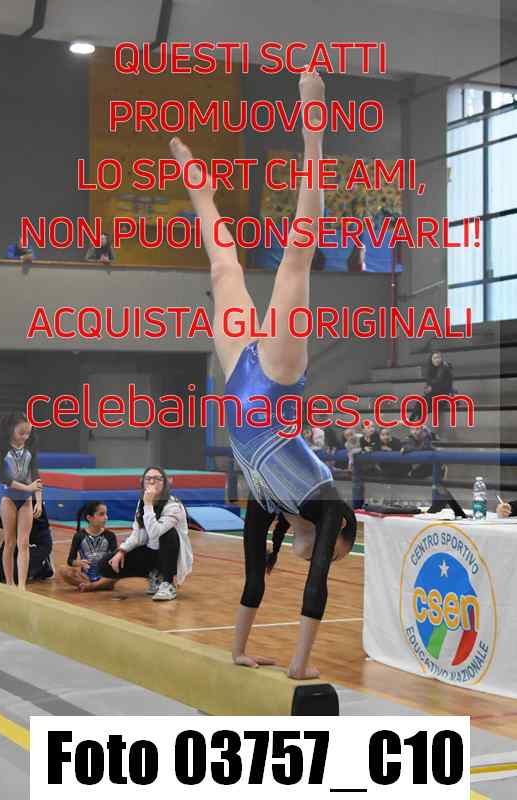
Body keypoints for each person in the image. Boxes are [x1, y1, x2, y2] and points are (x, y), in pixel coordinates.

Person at [169, 66, 356, 680]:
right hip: (274, 383)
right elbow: (315, 593)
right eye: (333, 553)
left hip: (238, 385)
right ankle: (313, 132)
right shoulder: (324, 503)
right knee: (295, 257)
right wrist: (300, 666)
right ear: (335, 536)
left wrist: (239, 651)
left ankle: (199, 189)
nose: (322, 560)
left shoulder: (269, 505)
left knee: (224, 269)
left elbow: (254, 581)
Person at [98, 467, 193, 601]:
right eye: (148, 479)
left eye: (157, 479)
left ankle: (168, 583)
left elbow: (155, 533)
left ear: (165, 483)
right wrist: (122, 551)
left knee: (167, 533)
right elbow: (138, 534)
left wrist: (149, 505)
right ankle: (155, 575)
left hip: (171, 555)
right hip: (151, 553)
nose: (152, 482)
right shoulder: (142, 502)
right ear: (142, 482)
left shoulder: (173, 506)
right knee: (105, 565)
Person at [0, 411, 43, 590]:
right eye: (21, 433)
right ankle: (10, 583)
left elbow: (35, 476)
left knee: (24, 543)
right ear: (10, 430)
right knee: (10, 542)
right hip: (9, 498)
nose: (25, 437)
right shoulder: (2, 449)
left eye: (28, 433)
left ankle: (22, 586)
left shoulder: (30, 451)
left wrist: (38, 500)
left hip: (26, 501)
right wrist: (29, 489)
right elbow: (6, 479)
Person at [0, 500, 54, 583]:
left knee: (16, 574)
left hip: (37, 544)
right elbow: (9, 538)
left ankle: (43, 566)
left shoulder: (30, 502)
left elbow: (14, 529)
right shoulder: (10, 497)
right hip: (19, 543)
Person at [60, 501, 117, 592]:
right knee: (63, 570)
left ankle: (91, 586)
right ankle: (92, 585)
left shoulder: (110, 535)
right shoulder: (79, 535)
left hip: (104, 577)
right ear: (89, 518)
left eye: (106, 514)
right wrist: (79, 563)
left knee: (117, 572)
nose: (106, 517)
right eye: (101, 514)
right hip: (86, 577)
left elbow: (115, 558)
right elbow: (70, 560)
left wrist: (110, 562)